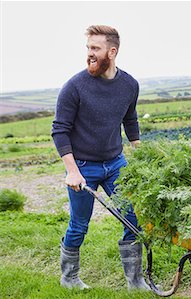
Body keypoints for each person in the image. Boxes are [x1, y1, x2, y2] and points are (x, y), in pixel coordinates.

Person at [51, 25, 150, 291]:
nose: (89, 54)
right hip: (83, 167)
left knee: (133, 219)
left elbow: (130, 120)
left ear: (112, 51)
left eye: (95, 48)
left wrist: (141, 152)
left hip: (116, 163)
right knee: (79, 225)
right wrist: (72, 171)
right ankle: (69, 278)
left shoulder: (129, 85)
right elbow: (59, 130)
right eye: (88, 48)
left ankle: (135, 282)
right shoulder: (74, 87)